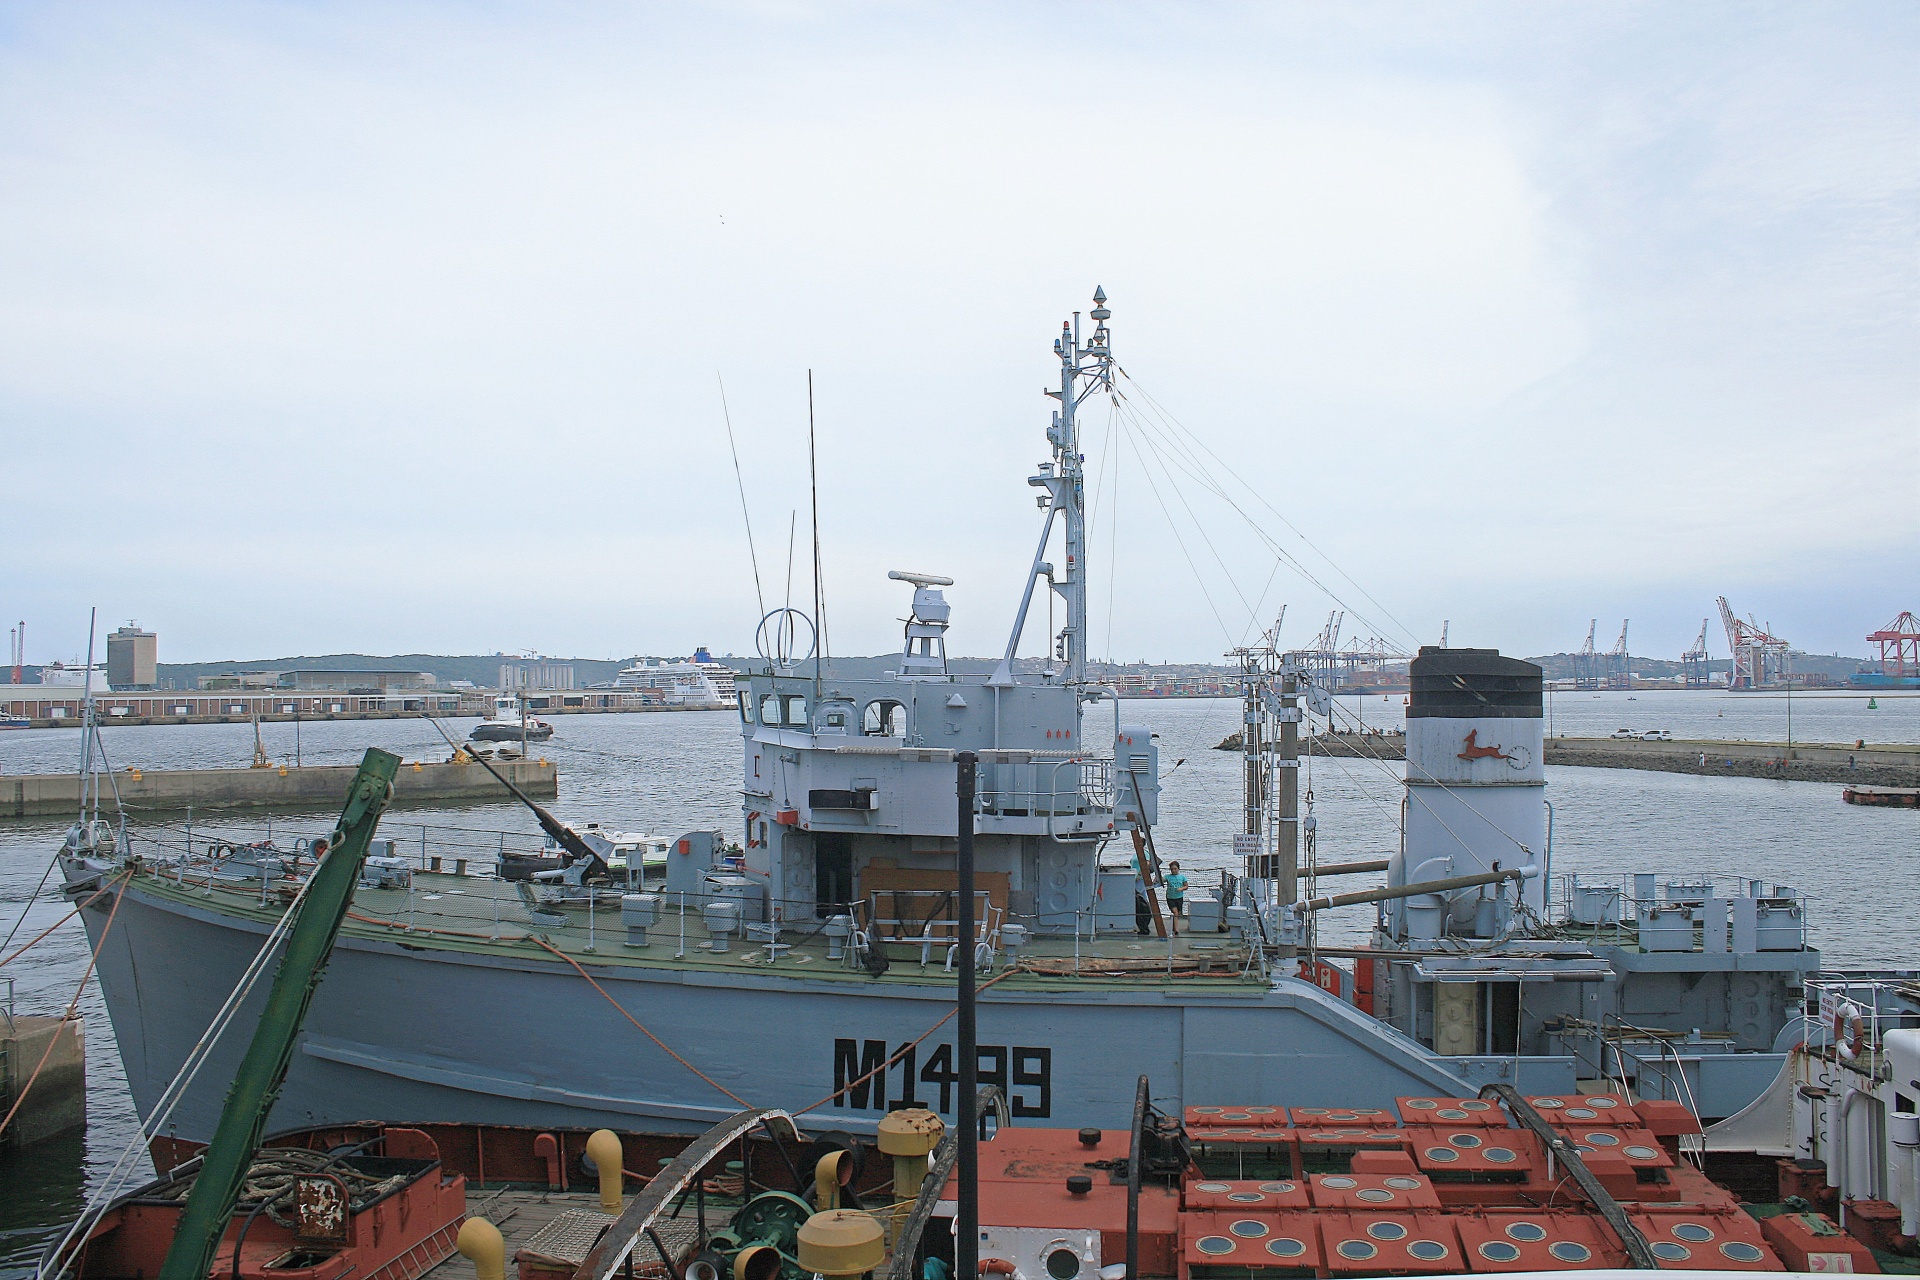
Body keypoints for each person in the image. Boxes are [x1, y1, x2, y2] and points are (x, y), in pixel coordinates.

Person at [1164, 861, 1188, 937]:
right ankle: (1176, 930)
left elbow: (1186, 886)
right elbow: (1160, 880)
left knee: (1178, 913)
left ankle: (1174, 927)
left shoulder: (1182, 877)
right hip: (1170, 897)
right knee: (1175, 912)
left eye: (1175, 869)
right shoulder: (1167, 876)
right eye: (1172, 869)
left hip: (1179, 897)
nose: (1173, 870)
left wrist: (1181, 888)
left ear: (1178, 869)